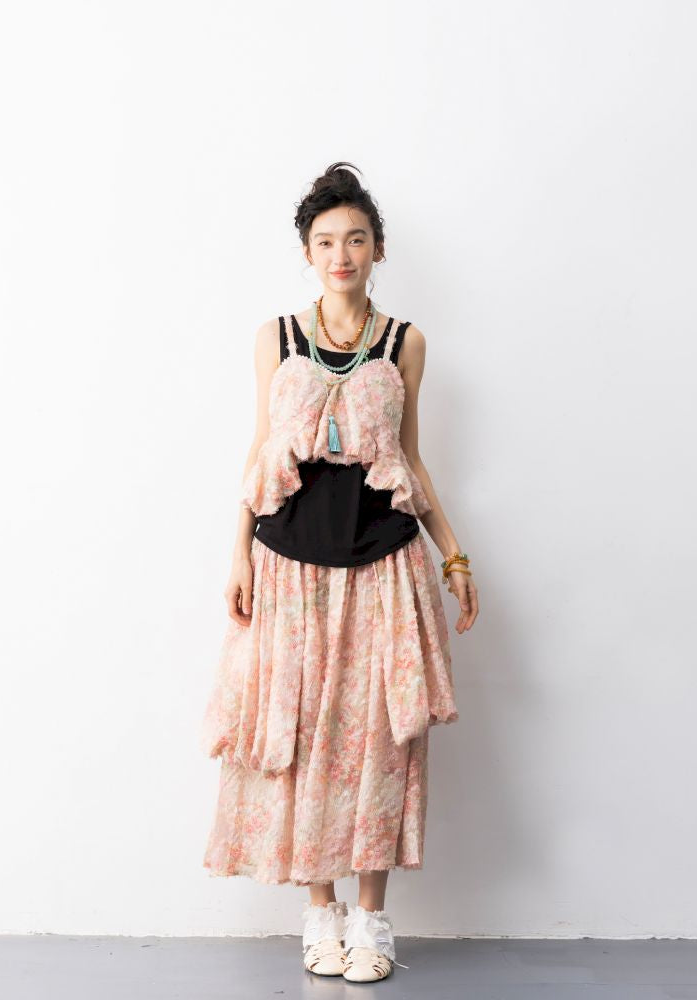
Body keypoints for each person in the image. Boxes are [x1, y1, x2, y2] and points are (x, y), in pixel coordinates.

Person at [199, 161, 479, 983]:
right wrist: (238, 552)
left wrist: (453, 554)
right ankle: (318, 914)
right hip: (289, 568)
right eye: (325, 241)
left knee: (376, 742)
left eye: (355, 239)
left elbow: (409, 459)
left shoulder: (404, 344)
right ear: (307, 252)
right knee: (299, 735)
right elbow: (261, 449)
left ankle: (371, 920)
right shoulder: (276, 338)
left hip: (382, 564)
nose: (341, 254)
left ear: (377, 249)